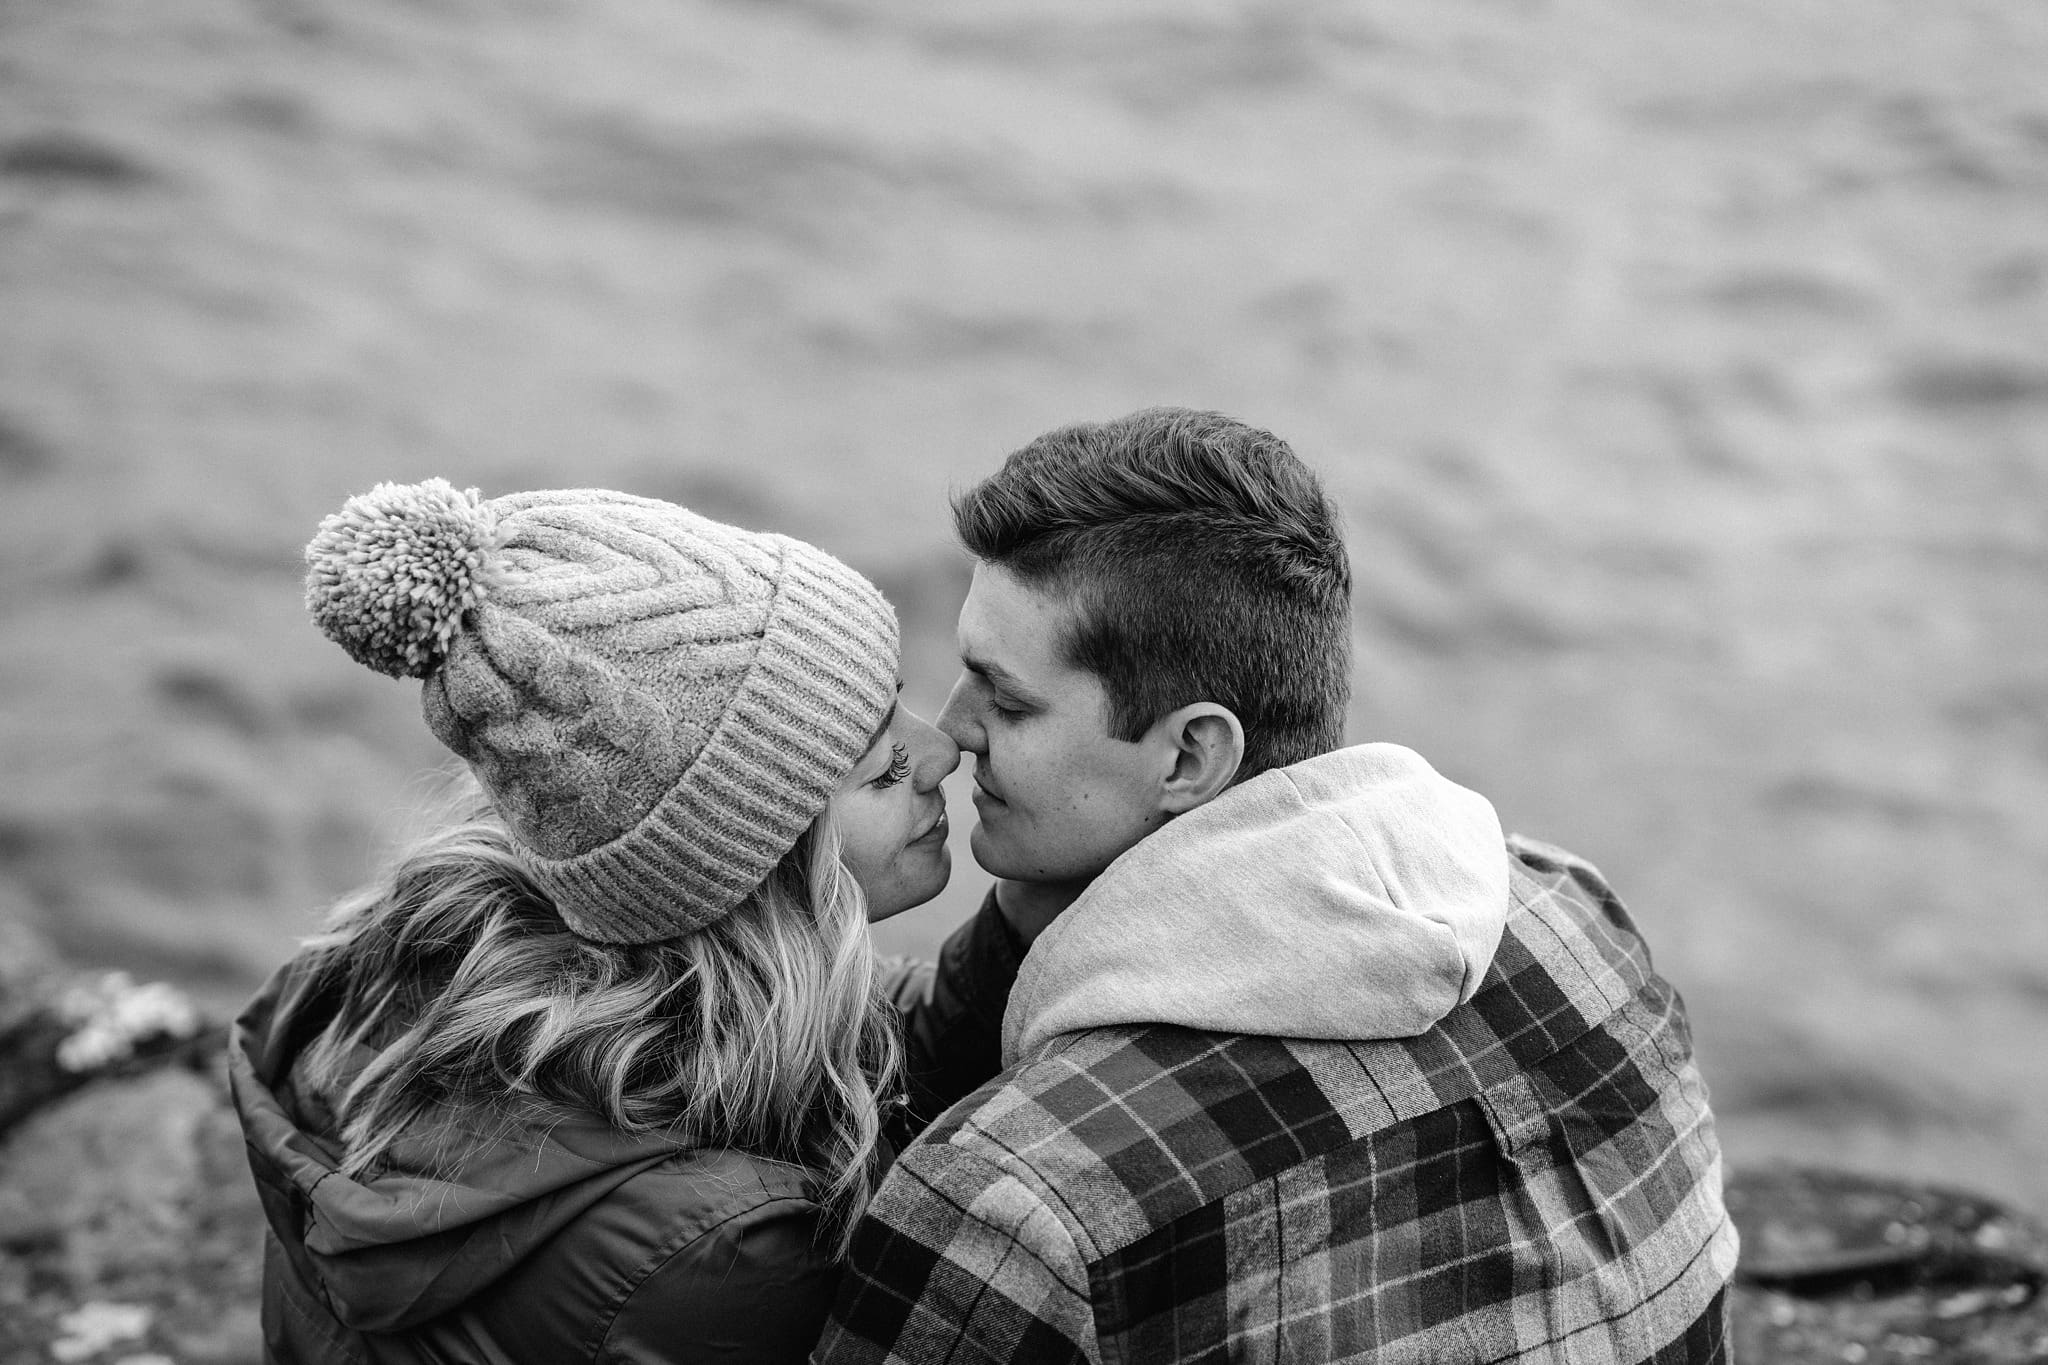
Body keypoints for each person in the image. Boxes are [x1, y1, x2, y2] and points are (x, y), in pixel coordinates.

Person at [816, 408, 1739, 1364]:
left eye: (1007, 698)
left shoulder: (1022, 1202)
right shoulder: (1579, 918)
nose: (952, 728)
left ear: (1191, 756)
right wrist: (1036, 919)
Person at [229, 481, 1026, 1364]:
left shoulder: (467, 978)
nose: (945, 752)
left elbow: (891, 1028)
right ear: (750, 875)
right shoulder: (718, 1248)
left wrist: (1034, 913)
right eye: (881, 769)